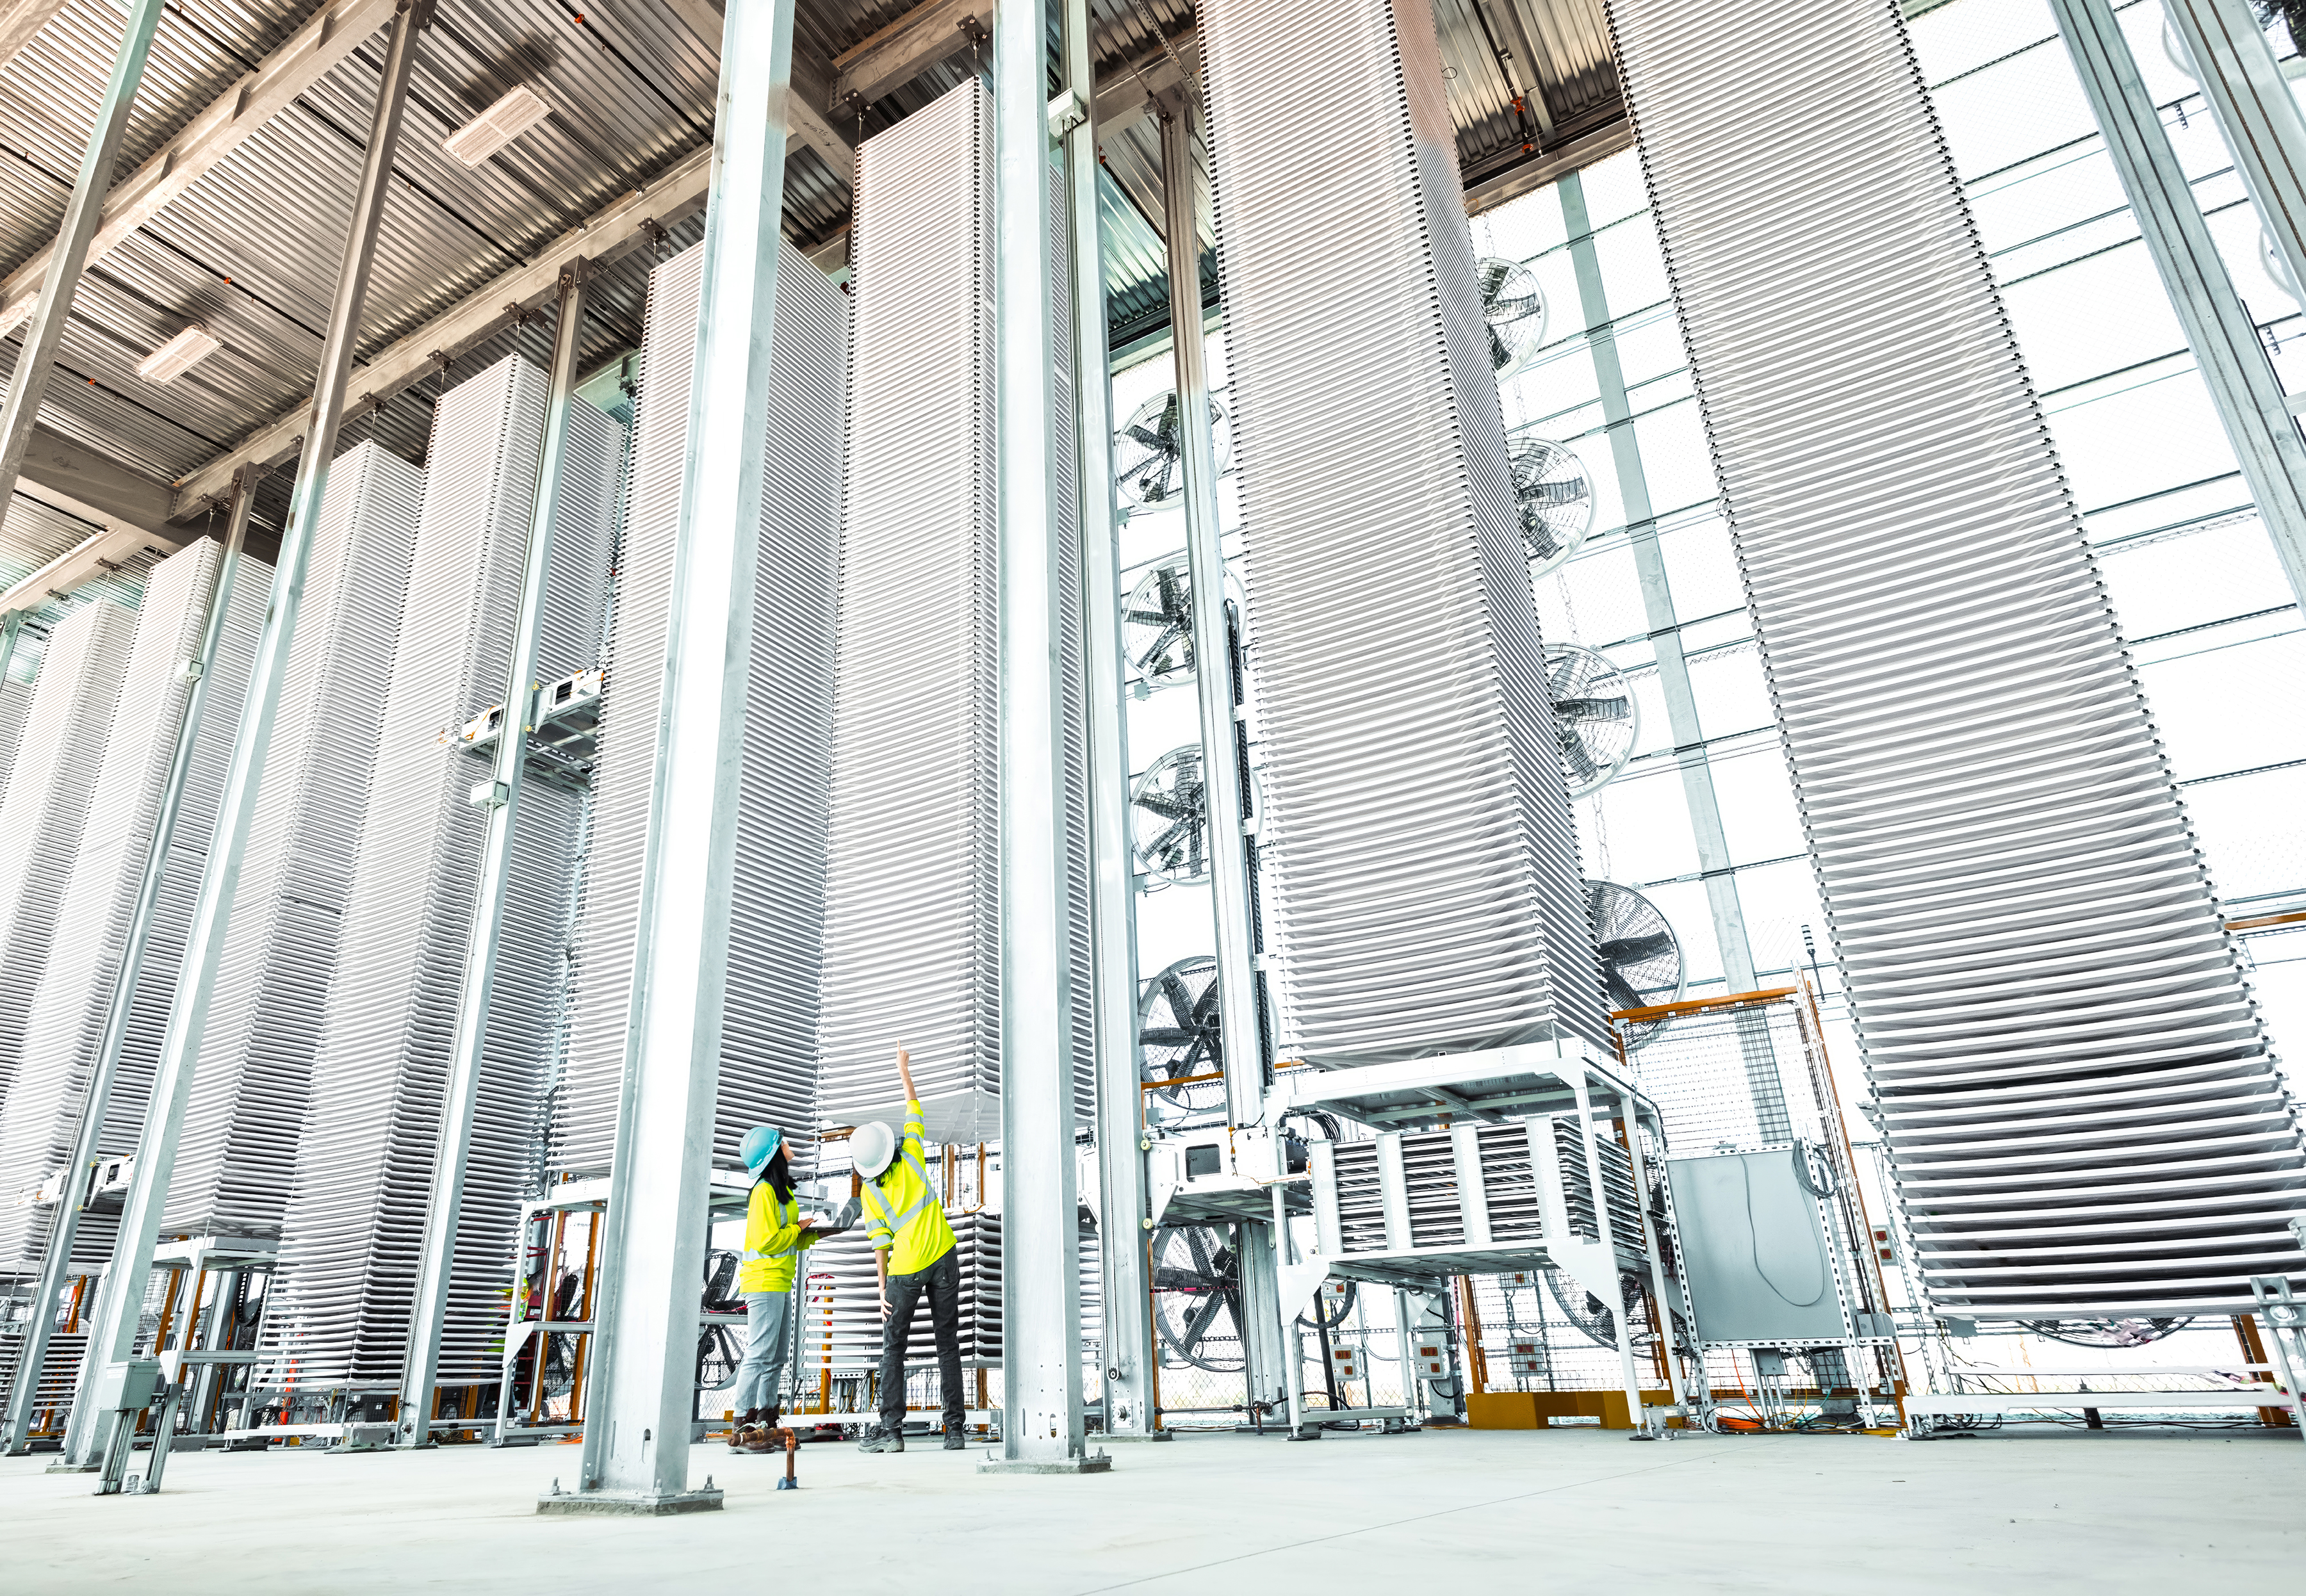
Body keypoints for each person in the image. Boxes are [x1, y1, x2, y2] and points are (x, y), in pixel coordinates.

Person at [853, 1046, 963, 1454]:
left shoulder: (870, 1192)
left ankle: (893, 1432)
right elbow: (914, 1107)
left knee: (893, 1347)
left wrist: (883, 1288)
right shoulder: (913, 1152)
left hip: (906, 1268)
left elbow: (881, 1243)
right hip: (945, 1257)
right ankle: (954, 1431)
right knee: (947, 1344)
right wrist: (902, 1069)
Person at [730, 1125, 817, 1453]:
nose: (789, 1145)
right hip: (764, 1281)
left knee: (777, 1355)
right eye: (783, 1143)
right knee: (759, 1353)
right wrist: (798, 1228)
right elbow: (767, 1240)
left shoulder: (782, 1191)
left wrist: (814, 1234)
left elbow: (786, 1236)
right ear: (773, 1154)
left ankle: (766, 1421)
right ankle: (742, 1424)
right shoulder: (763, 1191)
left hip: (779, 1280)